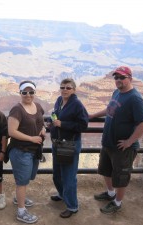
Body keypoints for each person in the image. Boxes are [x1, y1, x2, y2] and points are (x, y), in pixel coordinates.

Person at [89, 66, 143, 214]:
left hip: (123, 148)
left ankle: (117, 202)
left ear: (130, 78)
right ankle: (110, 193)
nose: (118, 80)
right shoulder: (116, 92)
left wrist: (129, 141)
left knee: (121, 176)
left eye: (122, 77)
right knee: (106, 170)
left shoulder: (135, 98)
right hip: (109, 143)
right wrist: (92, 116)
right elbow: (109, 109)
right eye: (116, 77)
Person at [49, 78, 89, 218]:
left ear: (74, 90)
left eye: (68, 88)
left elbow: (83, 125)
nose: (64, 90)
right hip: (58, 143)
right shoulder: (59, 100)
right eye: (62, 87)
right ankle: (62, 194)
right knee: (57, 174)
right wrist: (51, 123)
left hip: (69, 145)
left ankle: (72, 206)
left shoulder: (77, 105)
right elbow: (56, 117)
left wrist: (63, 124)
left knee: (68, 177)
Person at [8, 80, 46, 224]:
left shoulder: (38, 106)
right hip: (20, 151)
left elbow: (40, 122)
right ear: (20, 93)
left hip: (34, 151)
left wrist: (43, 129)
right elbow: (11, 131)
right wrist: (31, 138)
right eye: (25, 92)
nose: (28, 95)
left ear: (35, 93)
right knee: (22, 181)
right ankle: (21, 211)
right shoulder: (17, 110)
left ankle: (19, 198)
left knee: (28, 177)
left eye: (31, 92)